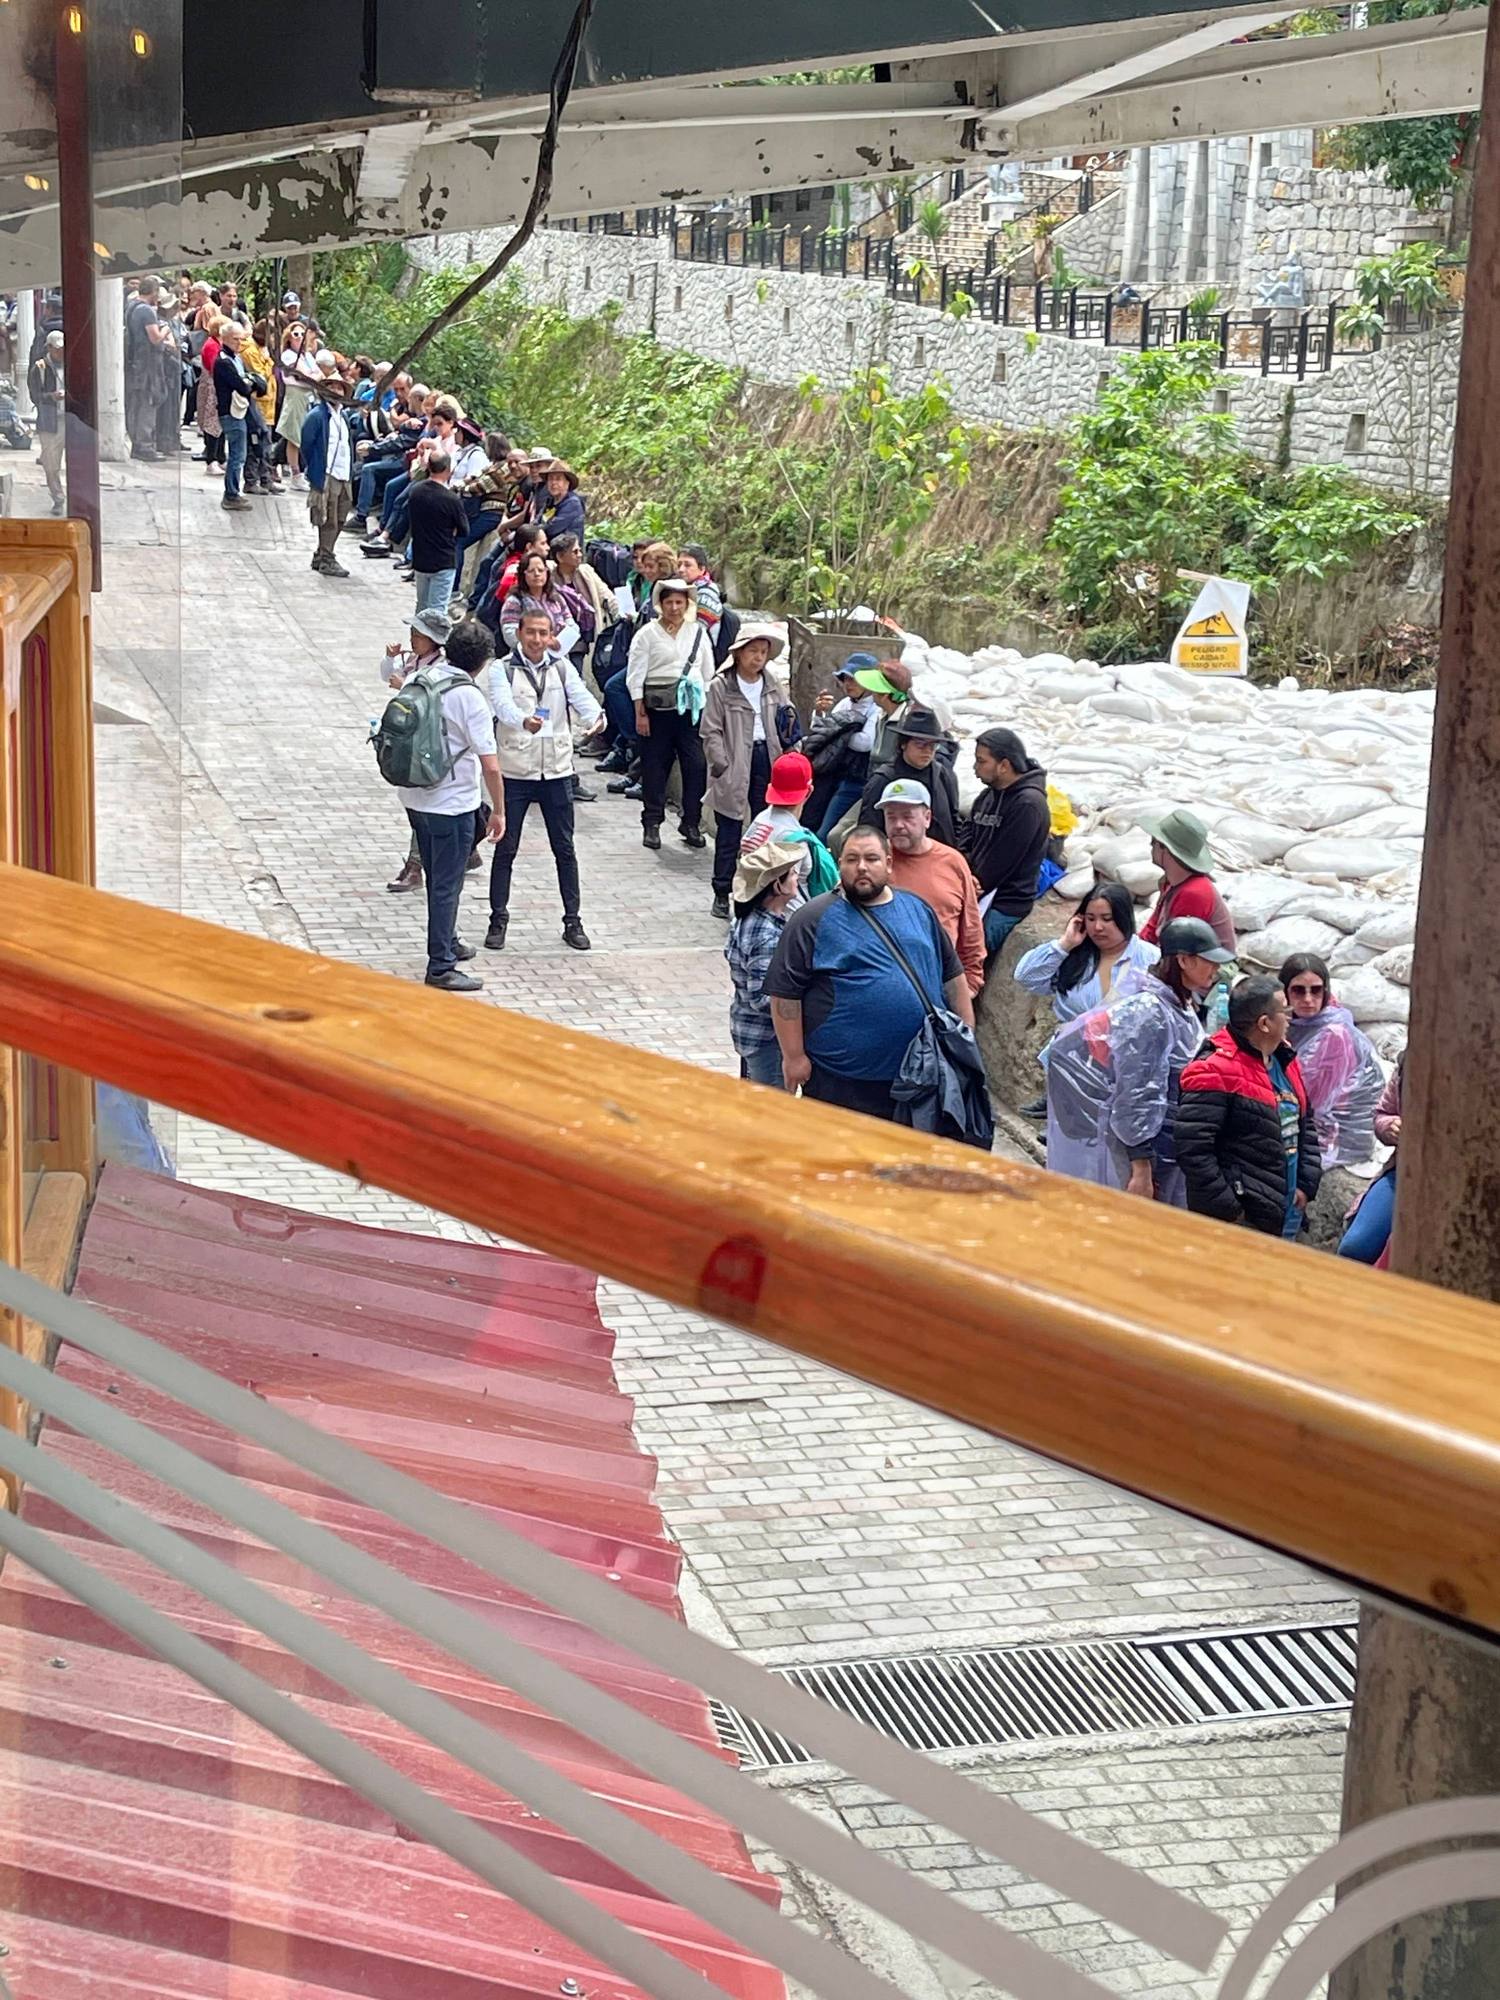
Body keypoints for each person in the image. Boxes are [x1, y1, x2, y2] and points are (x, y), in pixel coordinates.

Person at [764, 825, 972, 1122]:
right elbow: (785, 994)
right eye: (852, 859)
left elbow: (953, 976)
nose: (861, 867)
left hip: (921, 1077)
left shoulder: (918, 909)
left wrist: (966, 1037)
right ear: (839, 865)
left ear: (888, 863)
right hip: (842, 1081)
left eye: (871, 858)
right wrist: (794, 1057)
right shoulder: (811, 920)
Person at [1044, 914, 1233, 1198]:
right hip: (1144, 1152)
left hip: (1167, 1141)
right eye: (1209, 960)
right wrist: (1141, 1168)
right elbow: (1136, 1096)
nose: (1216, 968)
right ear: (1183, 960)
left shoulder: (1179, 1005)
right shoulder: (1151, 1013)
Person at [485, 607, 602, 955]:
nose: (537, 640)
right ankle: (498, 918)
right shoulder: (501, 669)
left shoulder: (561, 667)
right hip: (516, 770)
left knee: (565, 849)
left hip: (556, 771)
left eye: (543, 633)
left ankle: (573, 920)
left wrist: (597, 717)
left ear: (551, 635)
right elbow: (502, 706)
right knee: (506, 848)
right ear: (519, 633)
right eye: (531, 632)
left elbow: (582, 699)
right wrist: (523, 721)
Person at [395, 617, 505, 992]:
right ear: (483, 662)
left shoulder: (419, 679)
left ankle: (450, 939)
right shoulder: (470, 696)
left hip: (414, 796)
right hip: (452, 803)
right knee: (447, 882)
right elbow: (490, 763)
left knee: (436, 877)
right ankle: (440, 963)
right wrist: (500, 811)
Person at [1176, 976, 1322, 1239]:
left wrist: (1306, 1183)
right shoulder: (1213, 1070)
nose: (1290, 1017)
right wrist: (1230, 1210)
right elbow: (1193, 1149)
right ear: (1264, 1023)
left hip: (1285, 1206)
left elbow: (1305, 1122)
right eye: (1285, 1011)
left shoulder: (1284, 1058)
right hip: (1242, 1218)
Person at [1013, 881, 1158, 1112]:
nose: (1097, 927)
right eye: (1090, 919)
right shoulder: (1076, 959)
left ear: (1123, 918)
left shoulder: (1148, 958)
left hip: (1121, 1073)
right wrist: (1064, 944)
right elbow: (1025, 976)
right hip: (1068, 1069)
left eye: (1106, 919)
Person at [1278, 950, 1386, 1244]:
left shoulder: (1333, 1033)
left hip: (1337, 1133)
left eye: (1316, 991)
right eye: (1298, 991)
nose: (1309, 1000)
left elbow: (1306, 1100)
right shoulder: (1297, 1025)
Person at [702, 622, 796, 919]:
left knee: (765, 828)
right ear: (739, 653)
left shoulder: (772, 685)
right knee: (729, 830)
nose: (758, 657)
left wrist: (791, 752)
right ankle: (722, 890)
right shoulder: (722, 685)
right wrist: (722, 764)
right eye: (752, 651)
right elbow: (710, 730)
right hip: (735, 761)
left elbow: (787, 720)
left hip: (767, 759)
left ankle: (757, 891)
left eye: (763, 652)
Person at [627, 575, 713, 852]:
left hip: (690, 710)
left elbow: (708, 672)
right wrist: (640, 712)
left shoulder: (697, 632)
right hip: (656, 710)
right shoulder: (647, 634)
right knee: (655, 766)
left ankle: (691, 821)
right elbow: (635, 675)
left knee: (696, 765)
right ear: (660, 604)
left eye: (679, 602)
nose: (674, 607)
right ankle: (652, 822)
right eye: (669, 602)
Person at [877, 778, 984, 997]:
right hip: (884, 986)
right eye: (891, 817)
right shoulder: (873, 862)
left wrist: (971, 983)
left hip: (939, 986)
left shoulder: (952, 862)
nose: (898, 825)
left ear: (927, 818)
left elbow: (970, 928)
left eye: (907, 817)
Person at [957, 726, 1052, 957]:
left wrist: (975, 882)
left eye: (982, 761)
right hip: (973, 888)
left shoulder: (1028, 805)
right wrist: (963, 869)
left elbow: (1003, 861)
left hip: (1005, 900)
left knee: (966, 954)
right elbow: (966, 834)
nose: (975, 768)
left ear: (1004, 765)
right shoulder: (987, 796)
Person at [382, 605, 454, 895]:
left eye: (418, 634)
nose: (413, 638)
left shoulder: (439, 666)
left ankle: (415, 865)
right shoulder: (414, 660)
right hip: (407, 739)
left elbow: (425, 697)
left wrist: (405, 685)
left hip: (427, 745)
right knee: (414, 801)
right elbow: (388, 676)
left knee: (421, 804)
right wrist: (390, 659)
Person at [725, 840, 803, 1089]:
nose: (797, 876)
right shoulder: (766, 935)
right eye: (791, 873)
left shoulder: (752, 918)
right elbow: (764, 998)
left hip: (749, 1032)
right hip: (766, 1041)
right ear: (777, 885)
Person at [739, 750, 837, 907]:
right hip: (785, 922)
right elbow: (786, 896)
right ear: (809, 790)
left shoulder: (759, 821)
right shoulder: (795, 839)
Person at [856, 708, 960, 848]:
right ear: (903, 744)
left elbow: (955, 820)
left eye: (933, 745)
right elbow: (869, 829)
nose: (927, 751)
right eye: (920, 744)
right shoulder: (883, 779)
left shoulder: (943, 775)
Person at [1137, 809, 1236, 953]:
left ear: (1166, 849)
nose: (1150, 846)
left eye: (1154, 842)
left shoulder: (1194, 893)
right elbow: (1153, 928)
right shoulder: (1170, 882)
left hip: (1211, 966)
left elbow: (1178, 949)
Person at [803, 660, 881, 838]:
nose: (848, 685)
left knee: (826, 833)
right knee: (811, 821)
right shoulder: (845, 704)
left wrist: (837, 735)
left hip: (855, 780)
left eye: (853, 680)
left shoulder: (875, 709)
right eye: (845, 680)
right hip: (832, 775)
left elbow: (865, 743)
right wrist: (821, 714)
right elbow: (822, 731)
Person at [1339, 1058, 1402, 1265]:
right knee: (1356, 1247)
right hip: (1404, 1173)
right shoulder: (1411, 1063)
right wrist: (1389, 1126)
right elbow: (1383, 1112)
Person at [301, 375, 356, 577]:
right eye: (330, 386)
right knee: (328, 518)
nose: (335, 391)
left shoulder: (343, 417)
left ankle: (322, 552)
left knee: (341, 516)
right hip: (327, 473)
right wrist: (316, 467)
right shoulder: (317, 416)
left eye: (339, 387)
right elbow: (306, 443)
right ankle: (327, 558)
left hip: (344, 473)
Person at [405, 448, 469, 615]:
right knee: (437, 610)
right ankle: (431, 641)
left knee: (421, 606)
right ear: (448, 469)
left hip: (421, 558)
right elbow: (464, 530)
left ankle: (417, 638)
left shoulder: (415, 491)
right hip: (443, 560)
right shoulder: (451, 499)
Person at [123, 276, 178, 461]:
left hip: (135, 364)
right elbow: (154, 338)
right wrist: (166, 330)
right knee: (148, 404)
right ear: (153, 292)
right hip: (147, 366)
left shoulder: (131, 307)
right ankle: (144, 445)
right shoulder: (146, 311)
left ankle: (136, 443)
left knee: (136, 405)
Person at [212, 319, 261, 512]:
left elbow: (247, 381)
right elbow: (242, 385)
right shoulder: (224, 361)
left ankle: (233, 491)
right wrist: (249, 383)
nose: (239, 344)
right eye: (235, 340)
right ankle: (231, 494)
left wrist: (250, 382)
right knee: (237, 454)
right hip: (231, 412)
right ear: (224, 338)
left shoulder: (236, 358)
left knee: (240, 452)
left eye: (241, 340)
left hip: (240, 410)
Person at [499, 549, 583, 656]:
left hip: (558, 657)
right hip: (526, 659)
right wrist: (544, 641)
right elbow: (509, 635)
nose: (537, 574)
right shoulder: (515, 602)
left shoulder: (556, 598)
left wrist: (560, 640)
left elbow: (572, 625)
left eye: (540, 570)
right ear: (523, 574)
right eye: (531, 571)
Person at [277, 322, 324, 490]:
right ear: (289, 337)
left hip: (308, 396)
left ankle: (300, 471)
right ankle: (295, 473)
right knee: (294, 436)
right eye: (295, 334)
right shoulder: (289, 355)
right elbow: (305, 376)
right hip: (296, 396)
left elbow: (319, 374)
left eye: (302, 334)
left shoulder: (307, 356)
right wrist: (310, 377)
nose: (299, 338)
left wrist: (311, 376)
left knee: (303, 434)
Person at [240, 319, 283, 495]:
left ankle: (265, 478)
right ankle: (251, 480)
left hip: (269, 406)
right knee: (255, 442)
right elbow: (260, 376)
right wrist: (268, 361)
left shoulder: (262, 350)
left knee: (267, 444)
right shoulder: (250, 351)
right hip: (258, 403)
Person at [29, 329, 66, 515]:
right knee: (51, 465)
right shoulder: (40, 368)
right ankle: (58, 497)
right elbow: (35, 396)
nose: (61, 353)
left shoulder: (73, 365)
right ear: (50, 348)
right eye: (57, 349)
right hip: (50, 422)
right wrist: (52, 397)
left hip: (70, 420)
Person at [538, 459, 586, 542]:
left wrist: (535, 530)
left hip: (567, 552)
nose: (553, 483)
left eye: (558, 479)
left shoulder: (572, 503)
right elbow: (537, 520)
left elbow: (552, 529)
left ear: (567, 483)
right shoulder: (550, 501)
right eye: (550, 479)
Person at [678, 544, 723, 631]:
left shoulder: (706, 594)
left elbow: (698, 631)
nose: (681, 569)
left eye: (687, 565)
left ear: (702, 569)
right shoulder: (687, 589)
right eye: (679, 565)